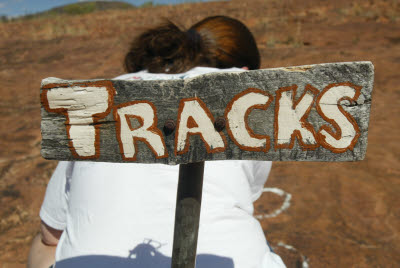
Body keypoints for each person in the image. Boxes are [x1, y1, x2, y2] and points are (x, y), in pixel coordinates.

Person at [28, 16, 286, 268]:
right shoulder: (248, 97)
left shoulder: (106, 93)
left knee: (44, 245)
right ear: (245, 72)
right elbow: (250, 192)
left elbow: (52, 234)